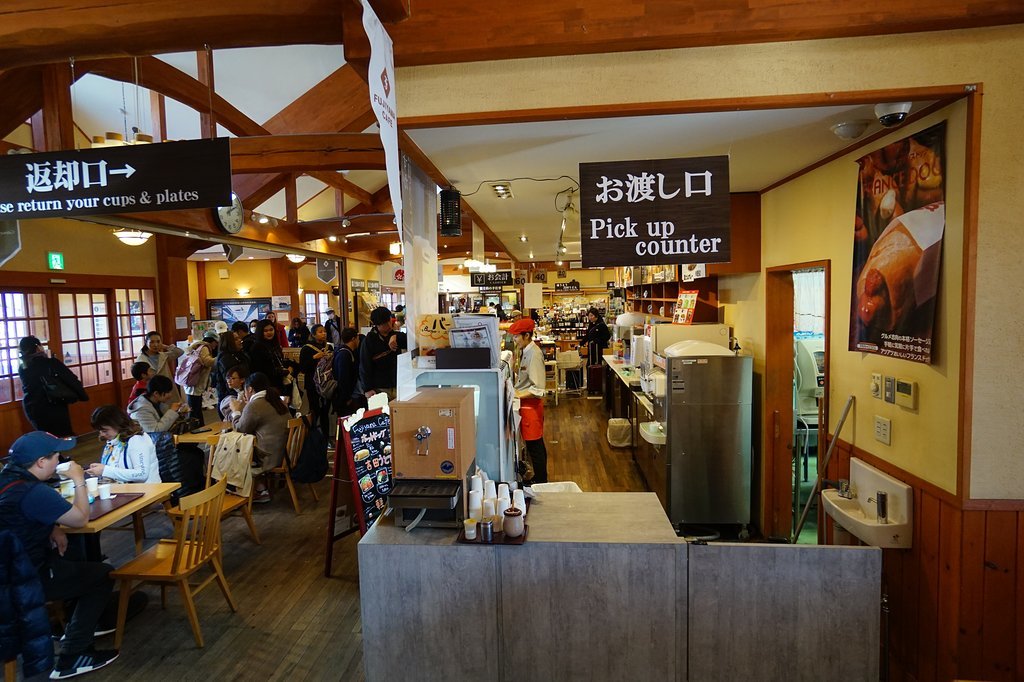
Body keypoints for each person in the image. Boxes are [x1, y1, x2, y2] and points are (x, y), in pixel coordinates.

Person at [0, 432, 120, 679]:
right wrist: (78, 480)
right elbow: (80, 519)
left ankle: (66, 627)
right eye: (57, 456)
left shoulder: (7, 481)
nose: (60, 461)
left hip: (9, 571)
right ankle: (74, 654)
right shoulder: (35, 492)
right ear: (41, 462)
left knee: (75, 560)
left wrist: (52, 526)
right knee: (102, 574)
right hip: (25, 581)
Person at [228, 372, 290, 503]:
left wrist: (236, 411)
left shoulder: (256, 405)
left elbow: (240, 429)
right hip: (284, 453)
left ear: (250, 389)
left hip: (268, 457)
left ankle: (246, 489)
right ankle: (260, 487)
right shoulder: (275, 400)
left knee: (230, 447)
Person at [17, 336, 88, 437]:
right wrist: (83, 395)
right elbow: (71, 379)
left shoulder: (23, 367)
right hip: (53, 405)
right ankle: (57, 453)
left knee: (46, 437)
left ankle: (51, 453)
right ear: (38, 347)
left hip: (32, 407)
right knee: (60, 436)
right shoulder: (51, 363)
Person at [509, 318, 549, 484]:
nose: (515, 340)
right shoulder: (526, 351)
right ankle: (539, 478)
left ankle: (540, 480)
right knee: (534, 445)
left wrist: (516, 395)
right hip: (526, 407)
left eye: (517, 336)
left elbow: (538, 389)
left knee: (535, 446)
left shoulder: (534, 354)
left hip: (531, 407)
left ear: (526, 335)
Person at [86, 406, 161, 484]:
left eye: (105, 430)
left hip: (149, 491)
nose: (102, 434)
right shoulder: (112, 442)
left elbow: (142, 474)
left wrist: (105, 470)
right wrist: (99, 472)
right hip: (124, 490)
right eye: (100, 431)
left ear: (117, 425)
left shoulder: (137, 440)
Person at [359, 306, 406, 401]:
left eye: (389, 321)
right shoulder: (369, 340)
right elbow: (364, 365)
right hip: (379, 388)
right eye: (384, 324)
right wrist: (367, 389)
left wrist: (395, 336)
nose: (389, 325)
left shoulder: (395, 336)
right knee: (381, 414)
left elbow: (410, 340)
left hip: (398, 385)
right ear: (376, 325)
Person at [299, 324, 332, 435]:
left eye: (324, 331)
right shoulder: (307, 348)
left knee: (326, 411)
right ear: (313, 335)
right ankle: (313, 436)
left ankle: (326, 436)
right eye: (320, 332)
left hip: (326, 384)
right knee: (314, 410)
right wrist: (314, 358)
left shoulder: (329, 347)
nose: (324, 334)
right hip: (312, 384)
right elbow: (303, 368)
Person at [179, 332, 218, 425]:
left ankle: (199, 426)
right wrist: (219, 357)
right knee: (194, 408)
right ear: (212, 341)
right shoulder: (204, 348)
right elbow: (207, 362)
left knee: (195, 407)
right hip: (195, 382)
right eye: (216, 342)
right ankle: (195, 427)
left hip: (193, 382)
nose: (216, 345)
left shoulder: (199, 347)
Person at [248, 319, 291, 392]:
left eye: (271, 330)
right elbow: (263, 369)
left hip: (278, 383)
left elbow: (279, 361)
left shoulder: (275, 344)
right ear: (260, 332)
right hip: (266, 385)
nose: (269, 332)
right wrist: (286, 371)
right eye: (265, 331)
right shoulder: (257, 347)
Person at [332, 326, 363, 417]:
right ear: (353, 339)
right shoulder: (345, 355)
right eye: (357, 338)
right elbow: (343, 378)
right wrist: (346, 398)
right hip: (345, 399)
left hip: (346, 396)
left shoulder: (343, 351)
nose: (359, 340)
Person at [213, 330, 248, 404]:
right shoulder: (225, 359)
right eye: (236, 339)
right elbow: (230, 381)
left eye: (239, 338)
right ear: (228, 343)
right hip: (231, 397)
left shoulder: (239, 354)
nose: (240, 340)